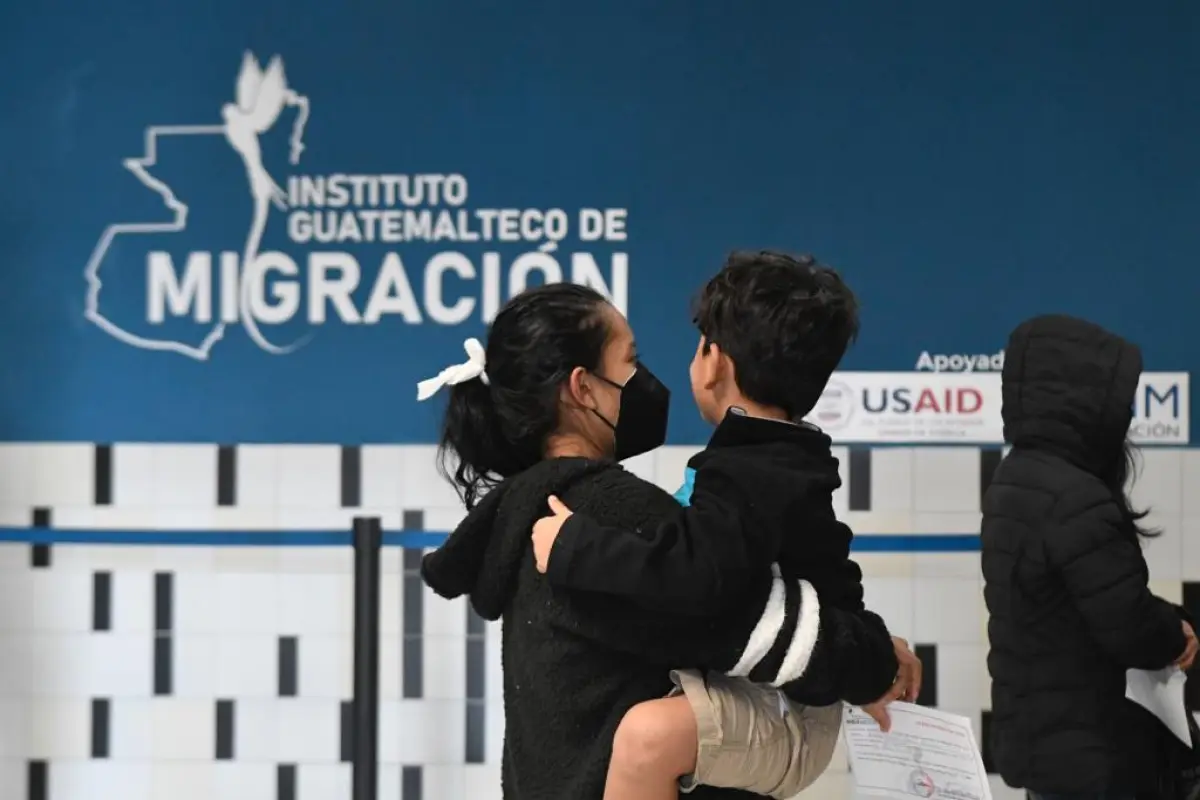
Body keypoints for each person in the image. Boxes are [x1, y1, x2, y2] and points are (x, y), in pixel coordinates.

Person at [419, 282, 907, 800]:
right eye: (631, 358)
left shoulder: (529, 508)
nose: (646, 377)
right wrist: (873, 664)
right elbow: (728, 615)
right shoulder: (606, 510)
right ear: (583, 388)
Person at [982, 314, 1200, 800]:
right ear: (1084, 400)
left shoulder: (1013, 478)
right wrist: (1176, 631)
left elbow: (1077, 601)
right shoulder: (1076, 496)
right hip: (1091, 752)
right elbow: (1127, 624)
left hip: (1039, 743)